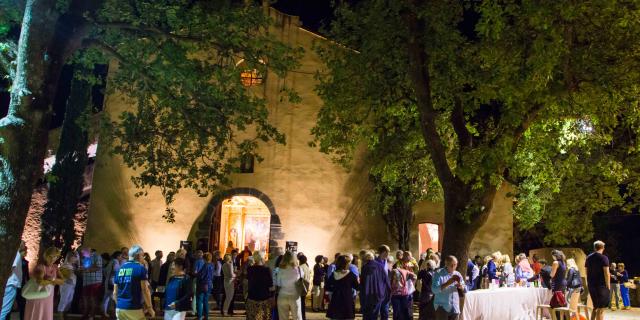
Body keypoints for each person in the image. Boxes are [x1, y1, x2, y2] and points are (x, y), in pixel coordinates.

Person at [113, 245, 155, 320]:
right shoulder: (140, 268)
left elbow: (115, 293)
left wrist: (119, 305)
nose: (143, 258)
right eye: (143, 255)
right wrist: (150, 308)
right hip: (133, 308)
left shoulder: (120, 269)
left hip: (119, 308)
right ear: (138, 256)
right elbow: (145, 290)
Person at [24, 247, 64, 320]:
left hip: (48, 296)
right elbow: (40, 282)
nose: (53, 259)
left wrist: (51, 279)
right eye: (51, 256)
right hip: (38, 295)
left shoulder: (55, 267)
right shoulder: (40, 267)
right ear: (46, 256)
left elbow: (62, 281)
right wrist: (53, 281)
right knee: (37, 315)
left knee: (46, 315)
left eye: (55, 257)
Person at [432, 256, 465, 320]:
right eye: (451, 265)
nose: (453, 267)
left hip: (455, 307)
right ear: (446, 264)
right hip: (442, 307)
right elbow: (434, 290)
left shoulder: (458, 274)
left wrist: (461, 287)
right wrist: (448, 283)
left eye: (455, 265)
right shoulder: (439, 273)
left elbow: (465, 289)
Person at [326, 255, 359, 320]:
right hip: (347, 300)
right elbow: (357, 287)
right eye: (349, 263)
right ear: (346, 264)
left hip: (336, 300)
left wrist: (335, 289)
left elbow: (327, 286)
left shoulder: (334, 274)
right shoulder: (350, 275)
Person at [360, 250, 390, 320]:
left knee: (367, 315)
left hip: (367, 295)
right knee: (375, 315)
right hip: (379, 294)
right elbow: (386, 280)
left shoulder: (364, 268)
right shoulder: (380, 266)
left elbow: (362, 283)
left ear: (365, 259)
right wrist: (387, 293)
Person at [1, 241, 28, 320]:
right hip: (11, 284)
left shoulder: (8, 252)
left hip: (9, 284)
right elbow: (10, 269)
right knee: (4, 310)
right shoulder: (16, 254)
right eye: (22, 243)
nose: (24, 244)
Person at [585, 240, 610, 320]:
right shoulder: (604, 258)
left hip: (591, 285)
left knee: (595, 307)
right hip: (601, 286)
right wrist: (608, 286)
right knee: (601, 308)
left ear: (594, 247)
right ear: (603, 248)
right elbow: (606, 273)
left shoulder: (588, 257)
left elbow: (586, 271)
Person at [275, 251, 303, 320]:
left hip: (282, 295)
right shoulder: (299, 269)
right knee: (297, 317)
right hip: (295, 296)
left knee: (283, 318)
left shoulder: (279, 269)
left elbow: (278, 283)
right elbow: (301, 279)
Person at [246, 251, 274, 320]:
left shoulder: (249, 269)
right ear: (262, 258)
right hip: (264, 298)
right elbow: (270, 284)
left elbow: (249, 281)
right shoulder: (266, 270)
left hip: (252, 297)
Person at [79, 246, 104, 320]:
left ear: (88, 251)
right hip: (86, 281)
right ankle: (85, 314)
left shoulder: (97, 256)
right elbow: (85, 267)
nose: (82, 254)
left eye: (83, 252)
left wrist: (87, 270)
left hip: (95, 281)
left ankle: (92, 315)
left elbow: (99, 267)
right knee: (85, 298)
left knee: (93, 298)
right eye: (81, 253)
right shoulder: (84, 257)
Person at [58, 251, 78, 315]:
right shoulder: (65, 265)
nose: (76, 259)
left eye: (76, 257)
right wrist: (67, 279)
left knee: (69, 300)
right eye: (74, 257)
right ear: (70, 257)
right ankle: (60, 315)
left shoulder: (72, 266)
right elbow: (62, 275)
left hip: (72, 285)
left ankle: (64, 314)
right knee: (64, 299)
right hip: (66, 285)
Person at [195, 252, 214, 320]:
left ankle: (199, 316)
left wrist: (196, 275)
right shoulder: (212, 265)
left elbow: (201, 275)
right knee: (206, 300)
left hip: (203, 285)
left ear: (204, 258)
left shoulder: (206, 265)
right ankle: (206, 316)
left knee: (199, 300)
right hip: (209, 284)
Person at [375, 245, 392, 320]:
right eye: (388, 252)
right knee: (376, 312)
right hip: (377, 291)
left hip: (386, 291)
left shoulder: (387, 263)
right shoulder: (375, 262)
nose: (389, 254)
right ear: (384, 252)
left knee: (385, 312)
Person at [297, 254, 312, 320]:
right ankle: (303, 317)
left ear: (299, 260)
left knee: (300, 304)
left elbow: (298, 278)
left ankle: (301, 317)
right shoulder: (307, 267)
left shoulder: (300, 267)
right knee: (302, 303)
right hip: (306, 287)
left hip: (301, 288)